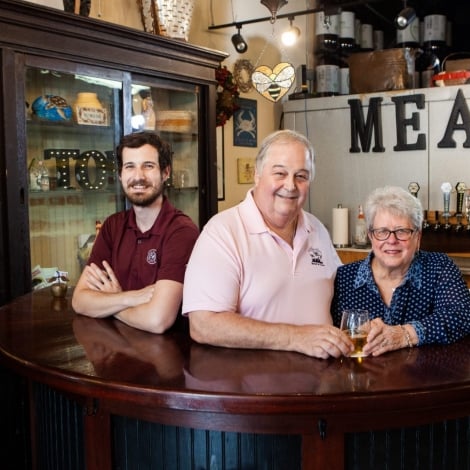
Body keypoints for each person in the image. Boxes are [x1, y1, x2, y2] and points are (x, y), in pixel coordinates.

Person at [182, 129, 353, 359]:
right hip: (254, 388)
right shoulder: (223, 232)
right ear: (257, 174)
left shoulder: (317, 229)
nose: (291, 185)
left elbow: (344, 294)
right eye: (280, 173)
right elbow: (204, 325)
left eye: (301, 176)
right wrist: (296, 338)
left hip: (321, 385)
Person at [72, 131, 199, 333]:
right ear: (121, 174)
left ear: (165, 173)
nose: (138, 176)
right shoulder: (112, 227)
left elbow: (158, 320)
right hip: (119, 350)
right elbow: (79, 301)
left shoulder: (181, 231)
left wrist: (110, 302)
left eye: (148, 166)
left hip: (167, 358)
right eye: (130, 166)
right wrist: (130, 297)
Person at [331, 185, 470, 356]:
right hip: (361, 379)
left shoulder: (439, 267)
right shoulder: (344, 277)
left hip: (425, 379)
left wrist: (405, 334)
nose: (392, 240)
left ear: (417, 237)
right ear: (370, 236)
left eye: (402, 231)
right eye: (382, 231)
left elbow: (462, 315)